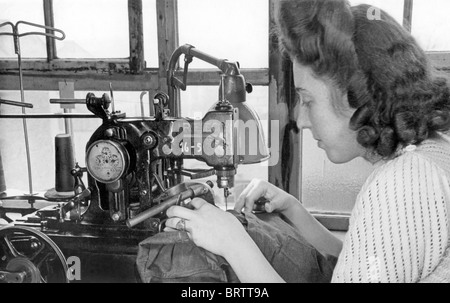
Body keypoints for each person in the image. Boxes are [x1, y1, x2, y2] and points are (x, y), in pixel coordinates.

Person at [165, 0, 450, 283]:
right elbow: (367, 263)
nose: (301, 120)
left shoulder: (401, 184)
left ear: (358, 96)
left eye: (308, 100)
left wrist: (233, 243)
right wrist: (293, 210)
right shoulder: (429, 158)